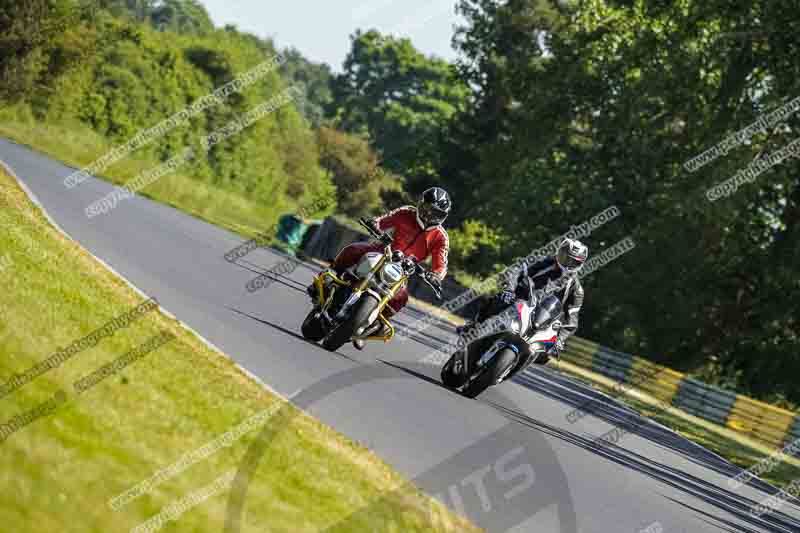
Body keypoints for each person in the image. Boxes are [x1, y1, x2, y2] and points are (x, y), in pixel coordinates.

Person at [308, 187, 452, 348]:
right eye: (428, 209)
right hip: (383, 251)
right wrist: (375, 224)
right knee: (354, 249)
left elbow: (441, 263)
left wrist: (436, 275)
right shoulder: (406, 212)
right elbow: (383, 221)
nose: (430, 215)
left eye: (436, 213)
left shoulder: (441, 237)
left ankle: (371, 324)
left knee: (401, 298)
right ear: (421, 205)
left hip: (404, 269)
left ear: (443, 216)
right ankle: (330, 274)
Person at [461, 238, 588, 364]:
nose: (568, 263)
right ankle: (475, 325)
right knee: (502, 300)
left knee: (546, 355)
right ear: (559, 252)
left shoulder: (576, 290)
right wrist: (509, 289)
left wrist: (560, 340)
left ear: (579, 264)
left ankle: (514, 364)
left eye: (573, 262)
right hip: (520, 301)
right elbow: (515, 271)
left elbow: (572, 321)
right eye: (566, 257)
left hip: (542, 321)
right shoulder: (543, 261)